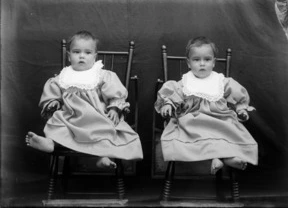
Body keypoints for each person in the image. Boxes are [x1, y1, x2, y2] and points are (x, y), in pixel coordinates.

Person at [26, 30, 143, 168]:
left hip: (96, 116)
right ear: (69, 56)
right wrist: (53, 102)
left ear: (94, 56)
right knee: (56, 122)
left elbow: (115, 93)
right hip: (69, 117)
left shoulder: (102, 75)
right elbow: (53, 93)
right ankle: (51, 142)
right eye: (76, 52)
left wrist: (115, 108)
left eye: (87, 53)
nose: (82, 56)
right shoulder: (63, 77)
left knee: (107, 130)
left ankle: (103, 157)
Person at [155, 36, 258, 175]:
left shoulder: (221, 81)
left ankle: (223, 158)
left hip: (220, 118)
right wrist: (168, 104)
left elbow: (238, 95)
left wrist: (241, 109)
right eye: (196, 60)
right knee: (195, 130)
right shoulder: (185, 82)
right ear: (189, 63)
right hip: (194, 118)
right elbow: (175, 95)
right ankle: (218, 158)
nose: (202, 64)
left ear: (214, 62)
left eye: (207, 59)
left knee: (227, 129)